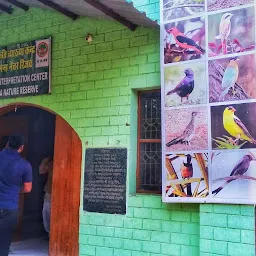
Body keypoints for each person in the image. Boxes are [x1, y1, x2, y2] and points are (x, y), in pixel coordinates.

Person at [0, 135, 32, 256]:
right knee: (3, 241)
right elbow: (28, 188)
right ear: (22, 147)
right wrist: (14, 190)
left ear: (7, 143)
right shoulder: (24, 165)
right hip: (9, 207)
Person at [39, 155, 53, 237]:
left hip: (61, 192)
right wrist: (46, 159)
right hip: (49, 191)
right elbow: (41, 171)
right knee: (47, 212)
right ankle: (49, 233)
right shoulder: (51, 162)